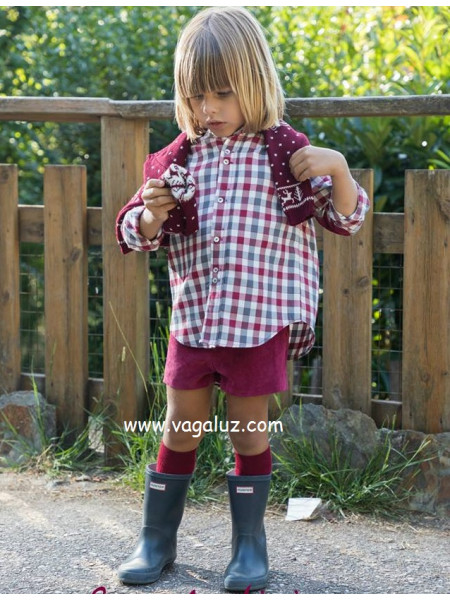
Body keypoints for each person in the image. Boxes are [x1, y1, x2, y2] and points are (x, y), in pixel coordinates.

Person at [115, 6, 370, 592]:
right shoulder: (178, 158)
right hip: (196, 319)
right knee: (180, 426)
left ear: (254, 81)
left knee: (249, 434)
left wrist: (339, 166)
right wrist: (152, 215)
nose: (209, 109)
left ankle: (248, 548)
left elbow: (346, 218)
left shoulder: (287, 153)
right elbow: (132, 231)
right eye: (197, 95)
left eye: (222, 94)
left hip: (258, 322)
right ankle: (156, 541)